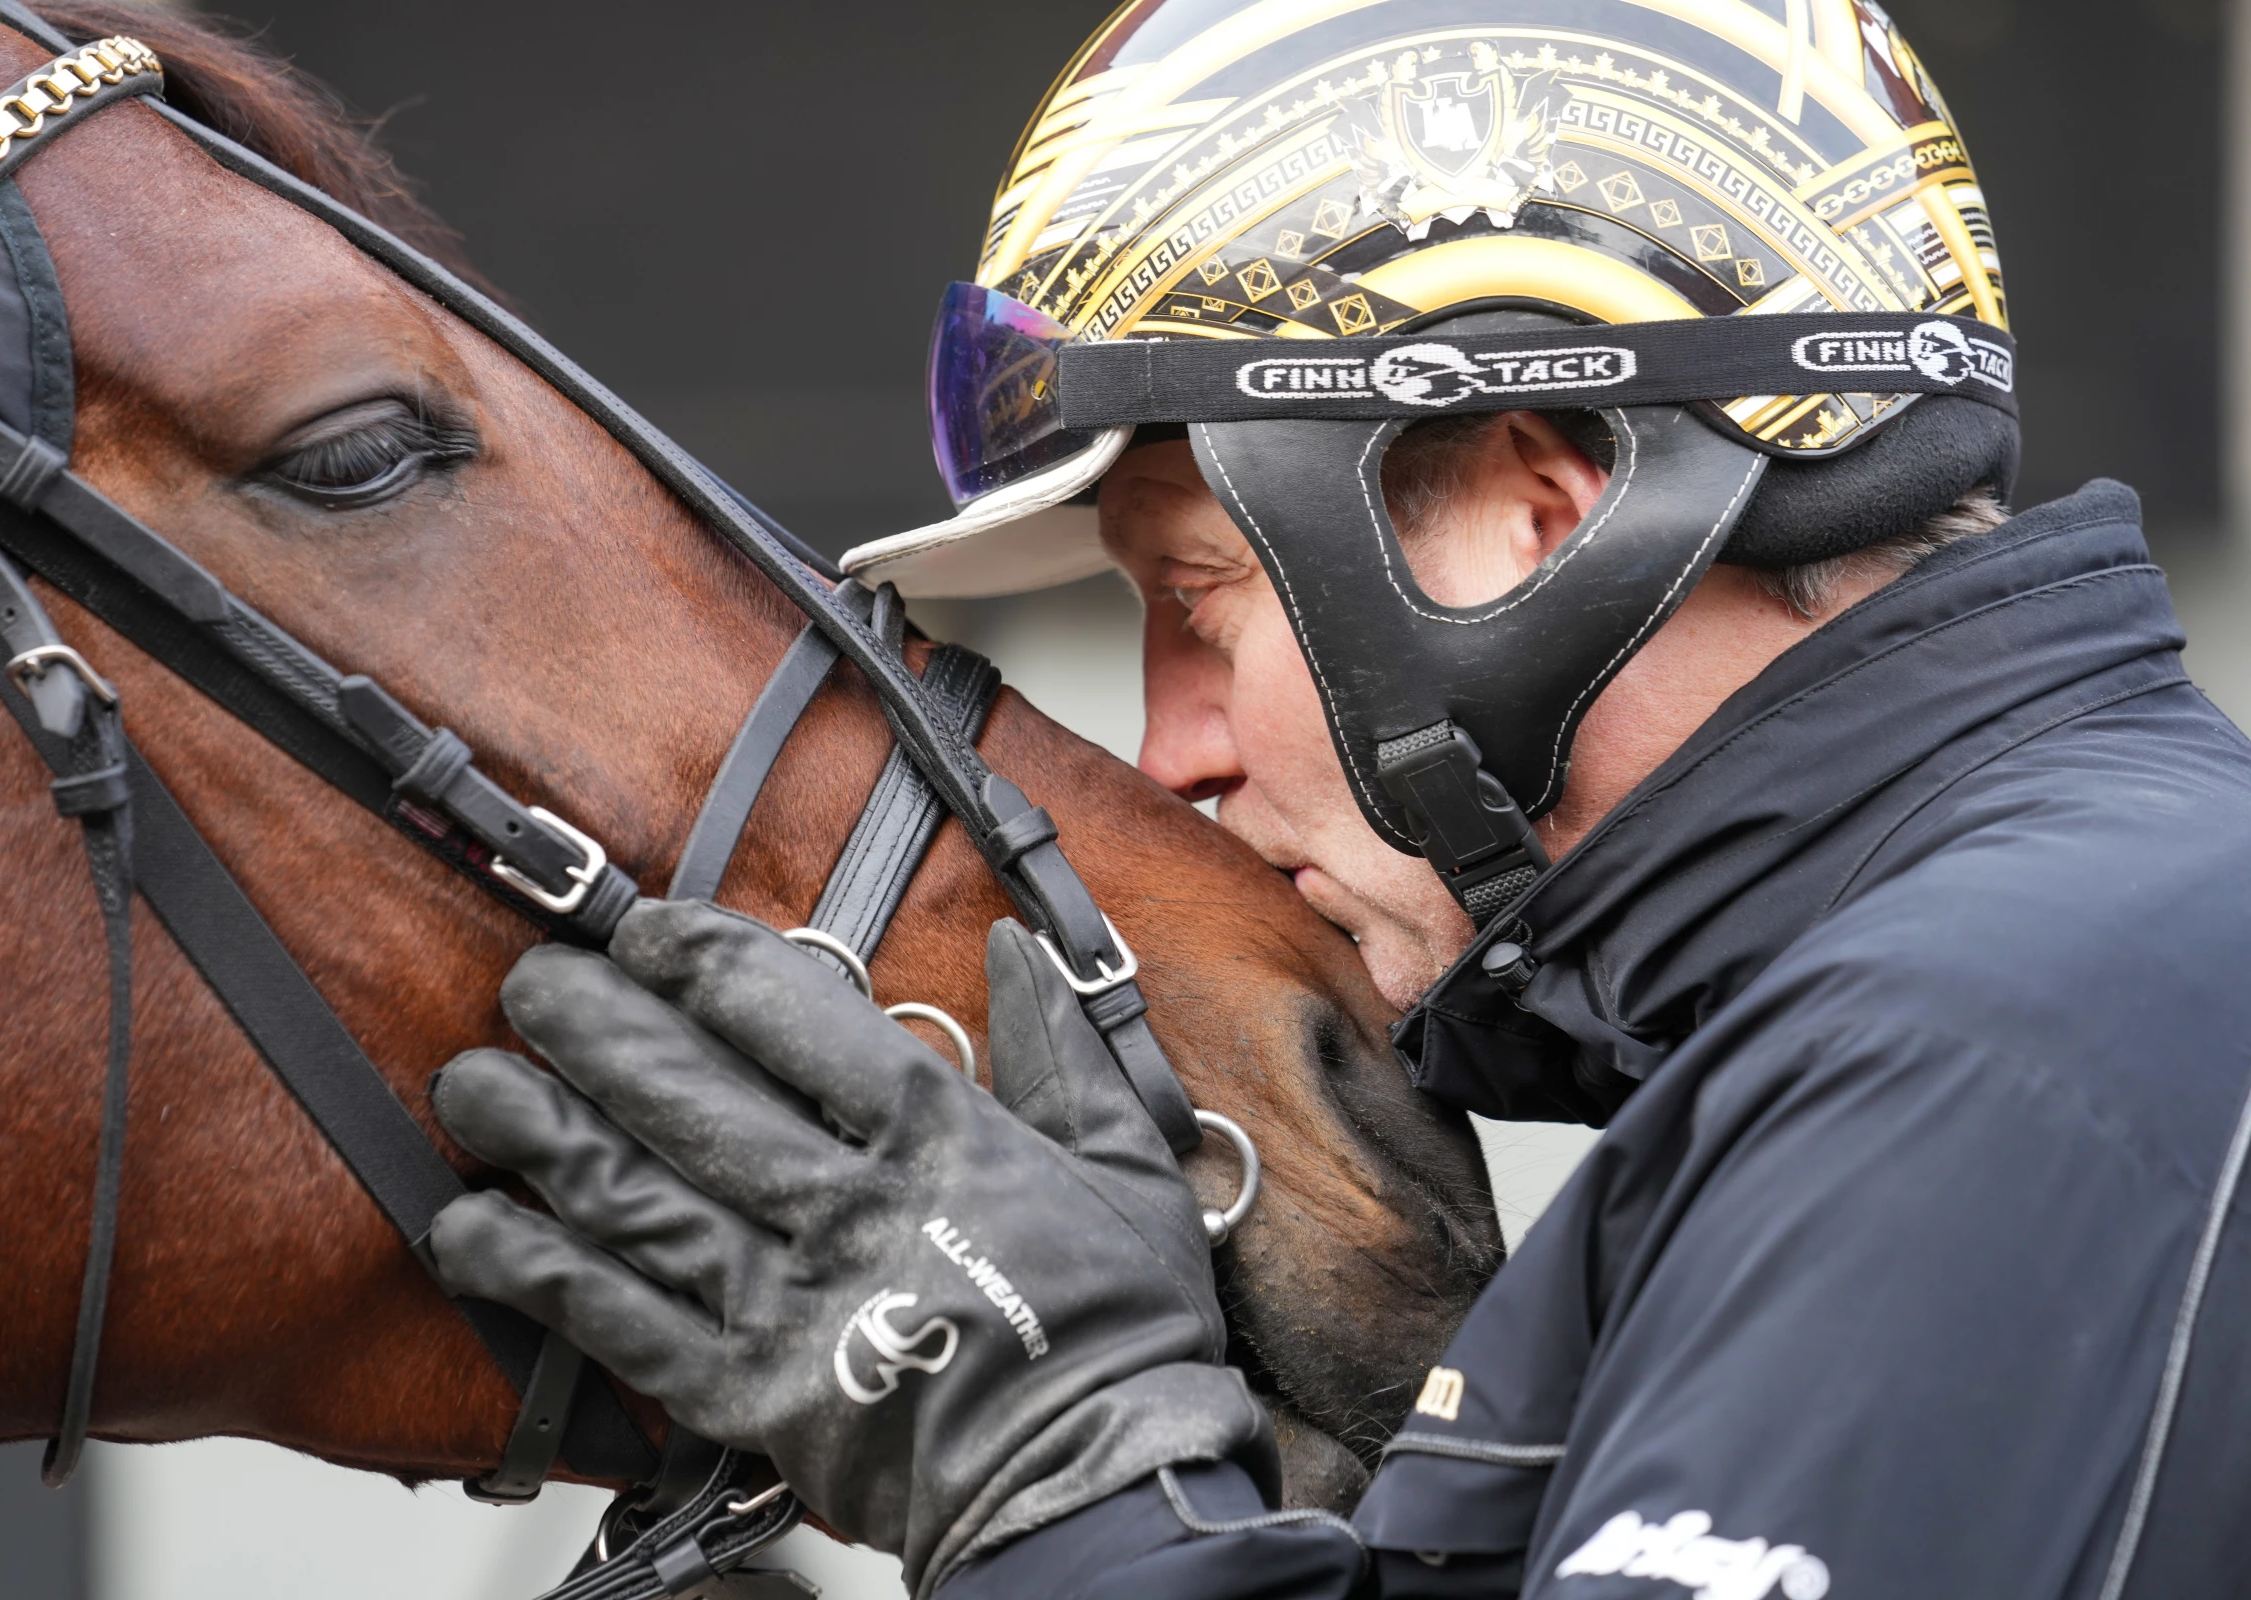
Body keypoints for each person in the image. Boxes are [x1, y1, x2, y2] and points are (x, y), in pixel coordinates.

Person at [421, 3, 2251, 1596]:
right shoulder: (2024, 971)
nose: (1172, 755)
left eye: (1196, 598)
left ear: (1544, 518)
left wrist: (1060, 1482)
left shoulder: (1981, 1049)